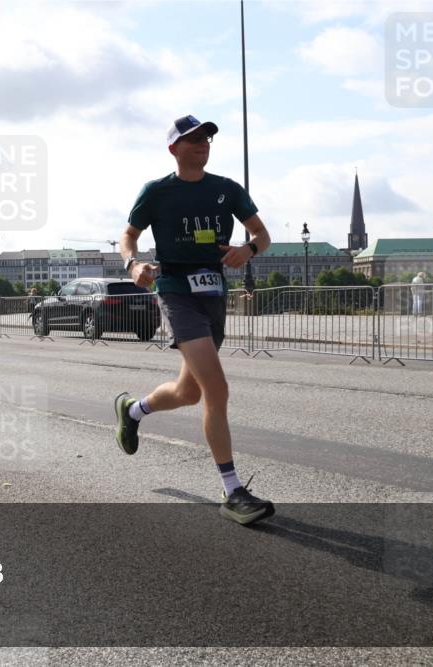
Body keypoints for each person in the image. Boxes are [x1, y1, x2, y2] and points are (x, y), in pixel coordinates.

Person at [114, 114, 274, 526]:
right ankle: (233, 490)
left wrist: (249, 250)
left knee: (189, 392)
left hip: (212, 294)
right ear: (174, 148)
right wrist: (133, 264)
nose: (202, 144)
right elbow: (127, 236)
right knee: (216, 389)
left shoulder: (226, 190)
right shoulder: (157, 191)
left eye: (206, 138)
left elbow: (262, 234)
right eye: (192, 139)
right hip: (175, 291)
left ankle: (133, 412)